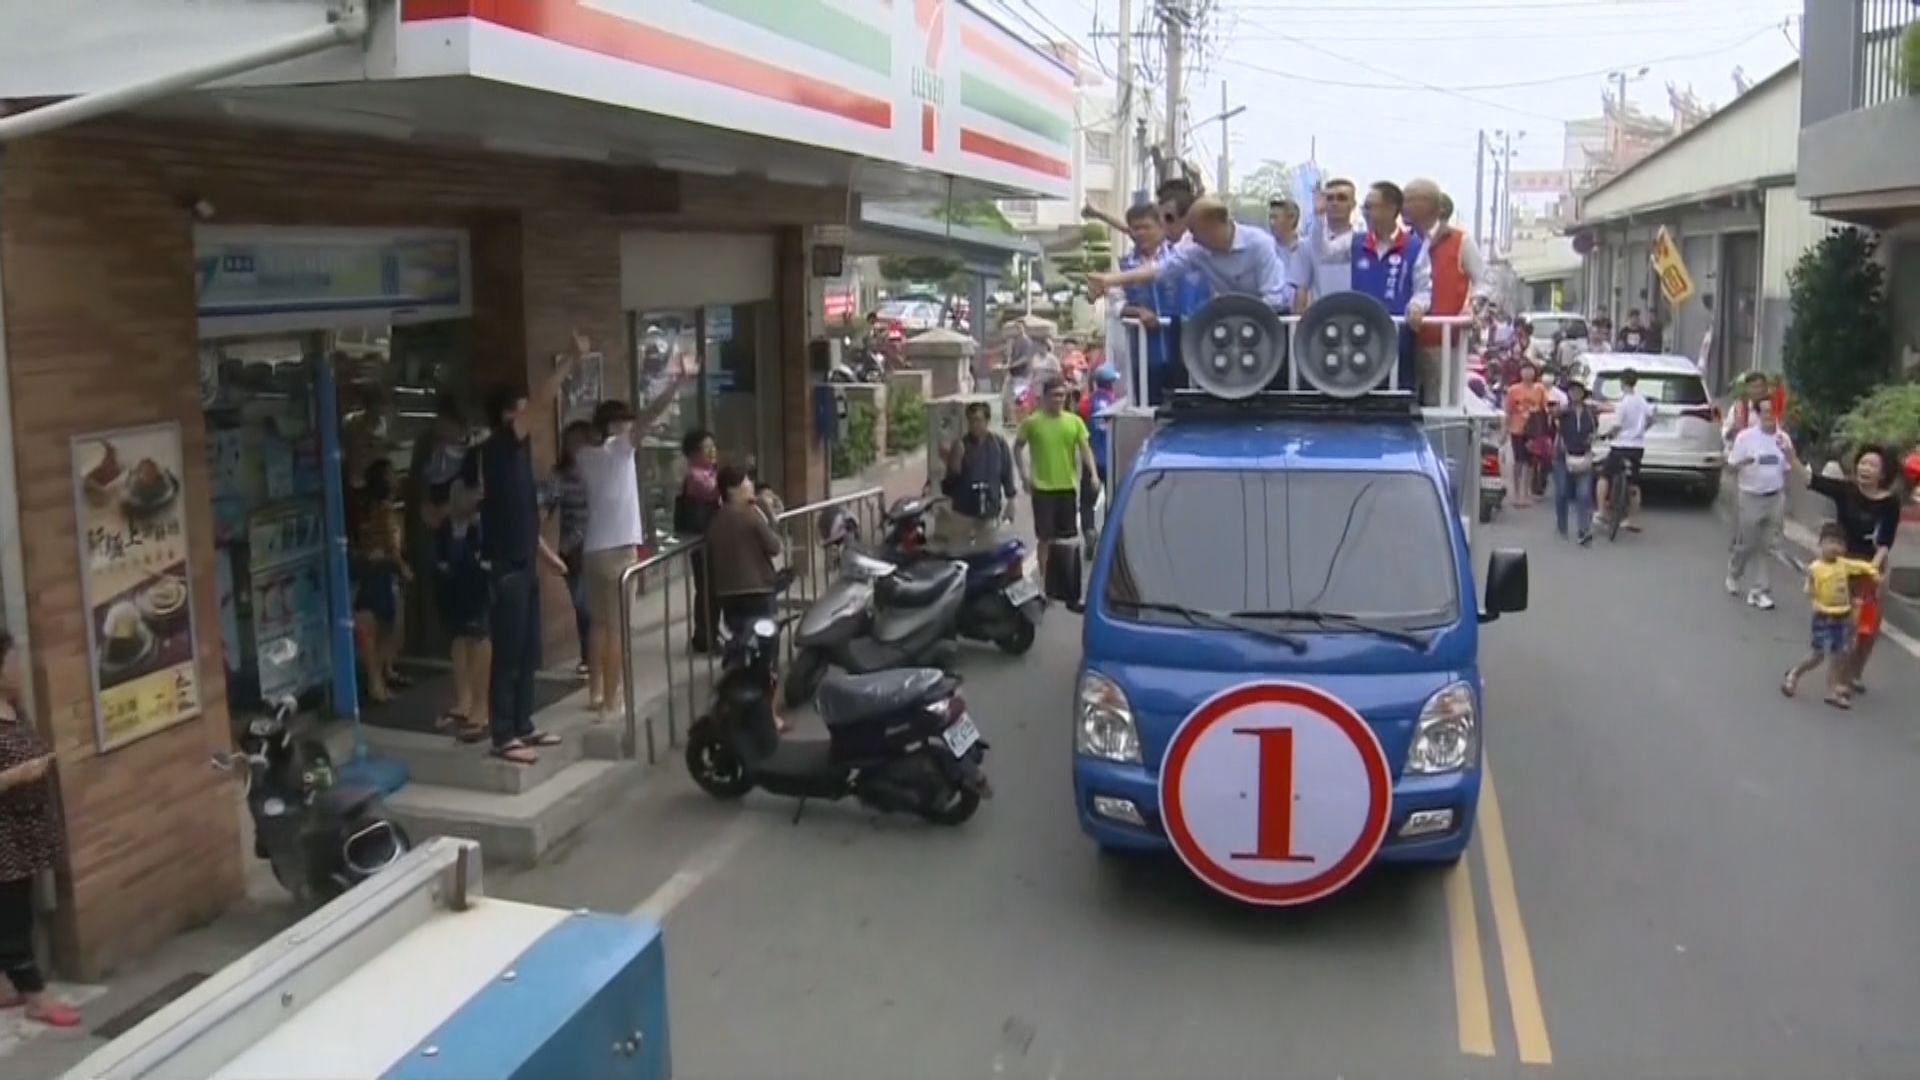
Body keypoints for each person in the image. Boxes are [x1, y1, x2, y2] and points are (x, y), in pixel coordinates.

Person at [479, 341, 576, 765]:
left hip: (525, 563)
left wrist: (547, 557)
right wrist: (569, 359)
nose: (531, 418)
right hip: (506, 570)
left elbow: (521, 518)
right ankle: (503, 734)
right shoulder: (498, 448)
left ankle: (523, 724)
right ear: (508, 415)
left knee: (527, 650)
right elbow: (540, 402)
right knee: (508, 652)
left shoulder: (517, 458)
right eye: (521, 410)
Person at [0, 631, 78, 1029]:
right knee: (12, 919)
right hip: (4, 840)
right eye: (10, 662)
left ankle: (5, 987)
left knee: (14, 910)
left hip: (26, 832)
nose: (17, 669)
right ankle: (36, 996)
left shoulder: (17, 709)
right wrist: (17, 775)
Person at [1806, 445, 1902, 695]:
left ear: (1883, 474)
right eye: (1863, 463)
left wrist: (1874, 572)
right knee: (1846, 626)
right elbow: (1810, 479)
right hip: (1843, 565)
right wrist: (1787, 455)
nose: (1865, 468)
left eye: (1872, 465)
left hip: (1873, 566)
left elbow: (1885, 542)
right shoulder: (1845, 490)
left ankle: (1855, 672)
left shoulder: (1891, 503)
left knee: (1868, 629)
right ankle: (1837, 680)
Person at [1089, 197, 1293, 313]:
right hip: (1233, 323)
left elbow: (1273, 299)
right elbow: (1160, 269)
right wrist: (1110, 280)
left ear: (1214, 227)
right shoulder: (1198, 252)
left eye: (1195, 232)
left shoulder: (1260, 245)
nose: (1191, 239)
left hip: (1273, 319)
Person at [576, 399, 647, 718]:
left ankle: (595, 692)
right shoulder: (619, 449)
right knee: (617, 629)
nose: (632, 428)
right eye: (627, 423)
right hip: (620, 549)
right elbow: (650, 417)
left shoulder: (584, 456)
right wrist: (676, 383)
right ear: (616, 426)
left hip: (593, 549)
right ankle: (612, 700)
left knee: (598, 626)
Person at [1404, 181, 1491, 405]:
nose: (1404, 206)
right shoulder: (1405, 241)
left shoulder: (1460, 241)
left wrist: (1472, 306)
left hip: (1442, 341)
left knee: (1441, 404)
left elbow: (1484, 282)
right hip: (1404, 338)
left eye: (1411, 201)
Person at [1116, 202, 1209, 405]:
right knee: (1149, 408)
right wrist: (1137, 311)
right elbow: (1115, 304)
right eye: (1135, 228)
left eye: (1146, 227)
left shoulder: (1183, 257)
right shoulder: (1124, 264)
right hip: (1145, 354)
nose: (1140, 233)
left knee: (1189, 406)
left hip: (1187, 350)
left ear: (1161, 227)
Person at [1014, 378, 1099, 600]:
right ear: (1044, 398)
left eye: (1062, 395)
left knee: (1067, 540)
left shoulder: (1074, 422)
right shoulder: (1033, 423)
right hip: (1042, 489)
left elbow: (1085, 449)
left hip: (1066, 488)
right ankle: (1045, 586)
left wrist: (1094, 475)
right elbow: (1017, 447)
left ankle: (1066, 584)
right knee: (1045, 539)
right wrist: (1024, 475)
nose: (1059, 400)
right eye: (1055, 395)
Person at [1781, 522, 1879, 708]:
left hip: (1842, 617)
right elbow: (1809, 591)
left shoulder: (1844, 564)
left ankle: (1832, 689)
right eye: (1831, 542)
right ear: (1821, 544)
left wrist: (1873, 573)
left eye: (1840, 544)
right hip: (1823, 618)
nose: (1835, 547)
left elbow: (1861, 566)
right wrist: (1814, 588)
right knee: (1817, 655)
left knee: (1839, 654)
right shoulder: (1816, 568)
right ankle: (1794, 674)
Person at [433, 481, 491, 741]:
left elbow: (484, 558)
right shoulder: (445, 527)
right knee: (458, 639)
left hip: (477, 589)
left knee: (478, 638)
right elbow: (438, 554)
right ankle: (463, 698)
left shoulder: (480, 526)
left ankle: (481, 704)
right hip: (453, 591)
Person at [1723, 400, 1795, 610]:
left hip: (1775, 497)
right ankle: (1734, 572)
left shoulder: (1783, 439)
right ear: (1758, 414)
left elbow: (1788, 468)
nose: (1770, 415)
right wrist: (1743, 463)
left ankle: (1760, 590)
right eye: (1765, 412)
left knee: (1769, 546)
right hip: (1750, 496)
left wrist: (1786, 495)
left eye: (1773, 411)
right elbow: (1730, 467)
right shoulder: (1746, 438)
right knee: (1747, 544)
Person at [352, 459, 411, 704]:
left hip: (367, 572)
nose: (396, 479)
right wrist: (403, 568)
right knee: (388, 626)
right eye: (392, 475)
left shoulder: (366, 510)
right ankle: (378, 681)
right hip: (383, 573)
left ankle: (381, 676)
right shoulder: (385, 511)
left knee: (372, 628)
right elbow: (391, 546)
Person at [540, 419, 596, 678]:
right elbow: (543, 505)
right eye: (573, 443)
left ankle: (598, 656)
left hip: (602, 545)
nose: (577, 449)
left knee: (599, 607)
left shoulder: (600, 469)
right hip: (573, 549)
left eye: (582, 443)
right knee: (583, 605)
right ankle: (589, 656)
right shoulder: (559, 476)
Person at [941, 401, 1017, 550]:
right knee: (959, 549)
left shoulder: (999, 444)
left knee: (987, 551)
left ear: (987, 421)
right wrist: (951, 463)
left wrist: (1011, 501)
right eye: (971, 421)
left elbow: (1007, 474)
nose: (975, 425)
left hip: (989, 507)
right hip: (964, 509)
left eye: (978, 420)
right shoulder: (961, 445)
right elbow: (948, 485)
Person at [1593, 367, 1657, 533]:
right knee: (1634, 483)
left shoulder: (1623, 403)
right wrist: (1643, 429)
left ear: (1622, 382)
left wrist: (1606, 435)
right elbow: (1652, 418)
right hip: (1637, 447)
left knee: (1604, 475)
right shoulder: (1641, 400)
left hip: (1621, 445)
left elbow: (1617, 425)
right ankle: (1632, 519)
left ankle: (1602, 511)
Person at [675, 429, 723, 652]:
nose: (713, 451)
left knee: (712, 589)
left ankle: (709, 633)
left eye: (714, 446)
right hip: (701, 540)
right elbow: (715, 492)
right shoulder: (695, 476)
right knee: (707, 589)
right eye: (707, 448)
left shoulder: (709, 472)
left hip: (711, 539)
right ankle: (704, 636)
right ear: (694, 453)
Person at [1298, 177, 1360, 310]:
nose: (1335, 203)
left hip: (1355, 313)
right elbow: (1301, 288)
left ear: (1353, 204)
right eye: (1330, 198)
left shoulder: (1361, 242)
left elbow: (1326, 250)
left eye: (1342, 198)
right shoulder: (1307, 244)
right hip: (1320, 315)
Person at [1553, 377, 1599, 542]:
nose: (1575, 394)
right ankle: (1562, 525)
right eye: (1572, 391)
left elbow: (1596, 428)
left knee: (1584, 494)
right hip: (1563, 456)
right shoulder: (1564, 411)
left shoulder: (1590, 412)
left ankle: (1583, 529)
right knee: (1562, 492)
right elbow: (1552, 414)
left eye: (1578, 391)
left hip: (1584, 455)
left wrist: (1593, 437)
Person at [1079, 366, 1121, 538]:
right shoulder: (1117, 404)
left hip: (1092, 459)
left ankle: (1089, 530)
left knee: (1087, 502)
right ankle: (1107, 535)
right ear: (1111, 384)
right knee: (1111, 501)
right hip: (1112, 460)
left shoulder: (1085, 404)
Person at [1503, 361, 1548, 509]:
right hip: (1517, 429)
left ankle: (1526, 493)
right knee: (1518, 461)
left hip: (1533, 431)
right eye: (1525, 370)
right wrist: (1505, 430)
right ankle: (1515, 493)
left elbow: (1544, 410)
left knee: (1530, 463)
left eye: (1530, 370)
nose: (1527, 373)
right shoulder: (1513, 390)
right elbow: (1508, 412)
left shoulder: (1540, 389)